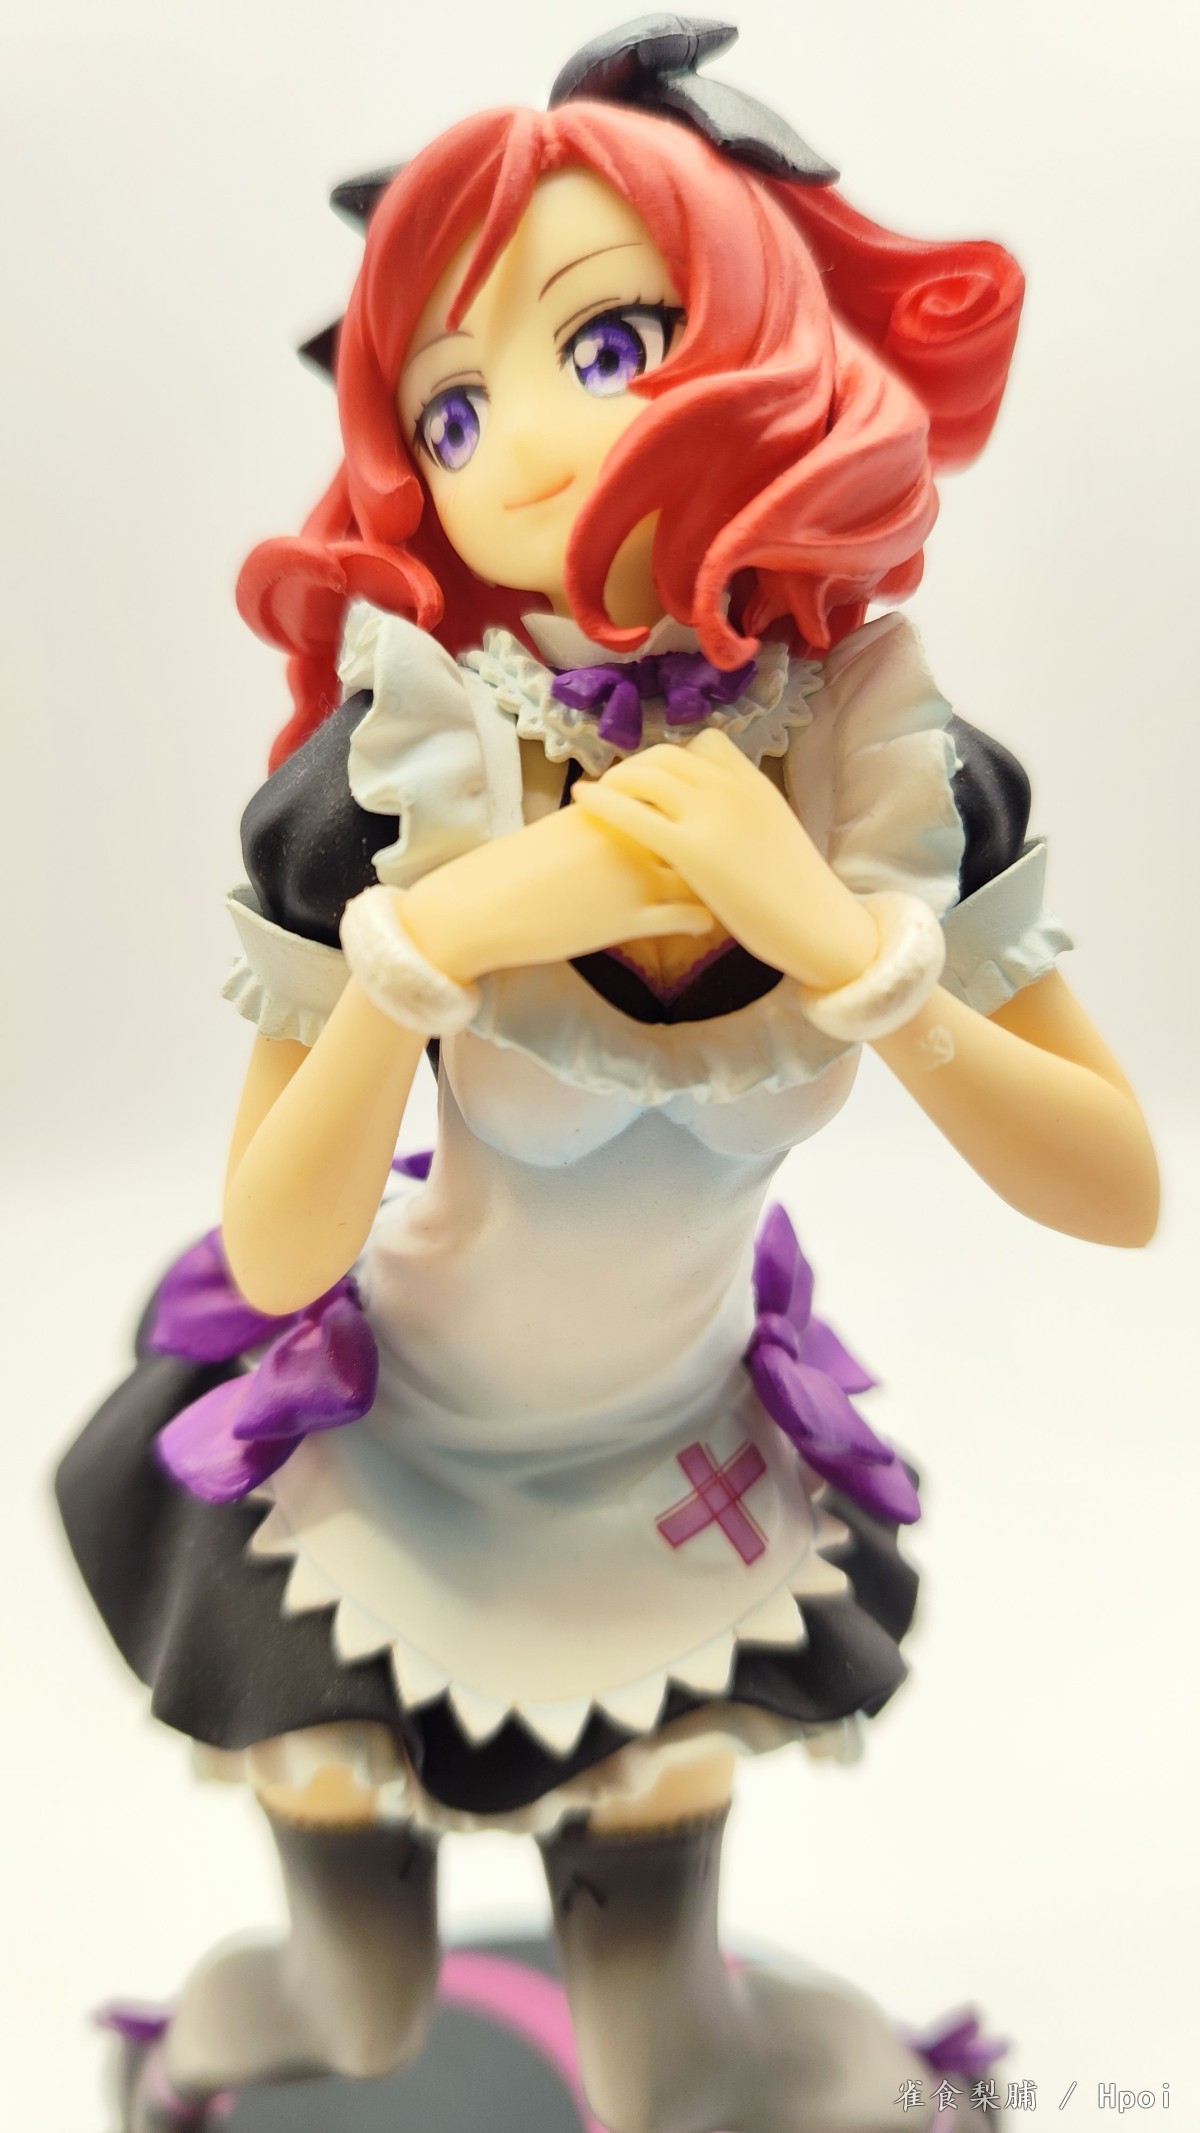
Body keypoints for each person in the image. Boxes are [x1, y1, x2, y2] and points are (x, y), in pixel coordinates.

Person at [57, 19, 1159, 2132]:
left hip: (670, 1477)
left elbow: (1117, 1186)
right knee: (354, 2015)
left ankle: (897, 2081)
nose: (531, 449)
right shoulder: (388, 776)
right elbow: (277, 1246)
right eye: (454, 406)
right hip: (383, 1470)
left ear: (760, 336)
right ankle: (171, 2059)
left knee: (668, 2076)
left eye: (611, 340)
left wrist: (845, 948)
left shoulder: (893, 766)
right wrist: (441, 939)